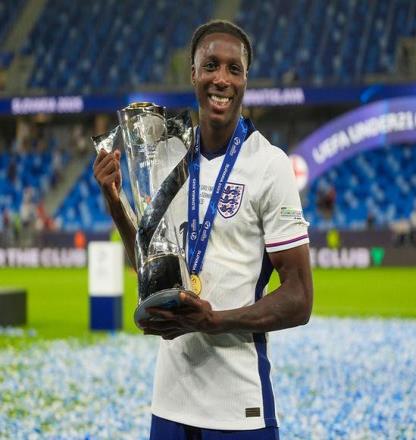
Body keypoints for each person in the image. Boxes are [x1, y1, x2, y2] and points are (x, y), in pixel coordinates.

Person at [93, 20, 313, 440]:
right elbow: (148, 269)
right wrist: (116, 202)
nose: (221, 79)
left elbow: (300, 299)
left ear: (246, 80)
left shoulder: (270, 166)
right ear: (193, 74)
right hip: (169, 404)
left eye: (234, 69)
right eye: (211, 66)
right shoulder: (167, 156)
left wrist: (212, 321)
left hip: (238, 411)